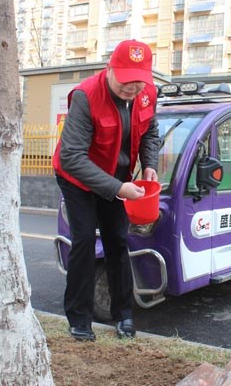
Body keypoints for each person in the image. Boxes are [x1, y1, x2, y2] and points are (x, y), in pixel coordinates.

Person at [52, 39, 160, 341]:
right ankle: (79, 318)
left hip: (118, 178)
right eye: (126, 80)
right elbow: (72, 157)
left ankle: (124, 315)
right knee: (85, 241)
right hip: (78, 178)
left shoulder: (147, 95)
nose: (132, 88)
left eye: (139, 81)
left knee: (118, 241)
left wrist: (149, 164)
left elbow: (151, 131)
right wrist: (118, 188)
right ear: (109, 69)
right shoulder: (86, 96)